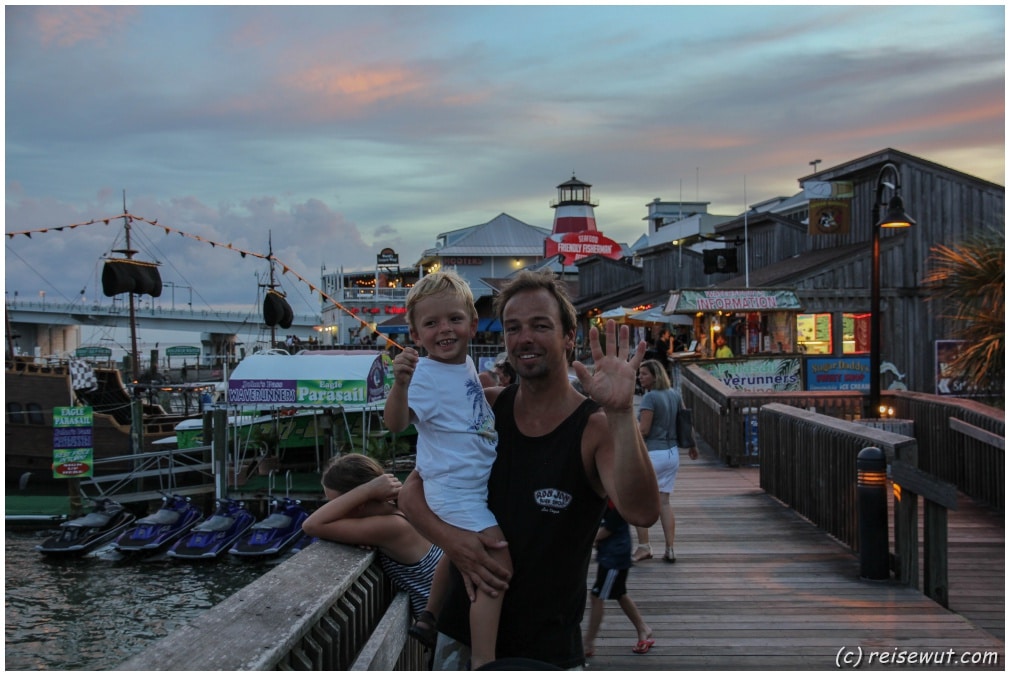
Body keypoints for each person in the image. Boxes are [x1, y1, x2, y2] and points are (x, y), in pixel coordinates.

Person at [399, 269, 659, 669]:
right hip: (462, 635)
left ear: (568, 336)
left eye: (541, 326)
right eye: (513, 328)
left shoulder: (595, 428)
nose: (525, 339)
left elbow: (641, 512)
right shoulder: (485, 407)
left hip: (547, 647)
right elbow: (412, 492)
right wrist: (456, 544)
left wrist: (622, 414)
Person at [383, 269, 509, 670]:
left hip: (469, 485)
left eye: (454, 319)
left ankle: (430, 616)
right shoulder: (424, 376)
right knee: (494, 564)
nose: (445, 330)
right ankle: (484, 661)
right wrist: (400, 385)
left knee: (457, 555)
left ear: (473, 324)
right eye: (431, 323)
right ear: (416, 335)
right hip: (454, 490)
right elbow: (396, 423)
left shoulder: (465, 364)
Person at [301, 453, 444, 645]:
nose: (333, 508)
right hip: (445, 619)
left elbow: (311, 525)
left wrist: (366, 490)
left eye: (335, 503)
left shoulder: (393, 526)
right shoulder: (402, 511)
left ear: (358, 502)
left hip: (447, 627)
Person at [631, 359, 698, 564]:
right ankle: (670, 548)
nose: (640, 377)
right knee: (664, 502)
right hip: (671, 454)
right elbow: (685, 423)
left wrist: (627, 434)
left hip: (653, 454)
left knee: (638, 502)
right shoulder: (674, 395)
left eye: (644, 374)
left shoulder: (650, 398)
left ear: (655, 376)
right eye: (639, 374)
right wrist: (693, 445)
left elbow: (644, 430)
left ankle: (644, 547)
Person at [584, 500, 654, 658]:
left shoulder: (617, 502)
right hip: (611, 554)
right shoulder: (609, 496)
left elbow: (609, 528)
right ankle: (643, 628)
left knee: (597, 596)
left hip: (614, 557)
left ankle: (588, 643)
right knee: (619, 593)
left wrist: (589, 539)